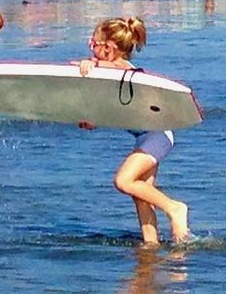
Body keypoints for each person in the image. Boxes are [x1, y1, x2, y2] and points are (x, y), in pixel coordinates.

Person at [75, 17, 190, 244]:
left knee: (123, 181)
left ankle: (175, 208)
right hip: (146, 136)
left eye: (93, 44)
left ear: (109, 48)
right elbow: (117, 108)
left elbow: (114, 67)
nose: (90, 48)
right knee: (141, 195)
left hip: (157, 135)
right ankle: (151, 245)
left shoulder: (122, 69)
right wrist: (93, 121)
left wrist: (92, 64)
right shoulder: (113, 75)